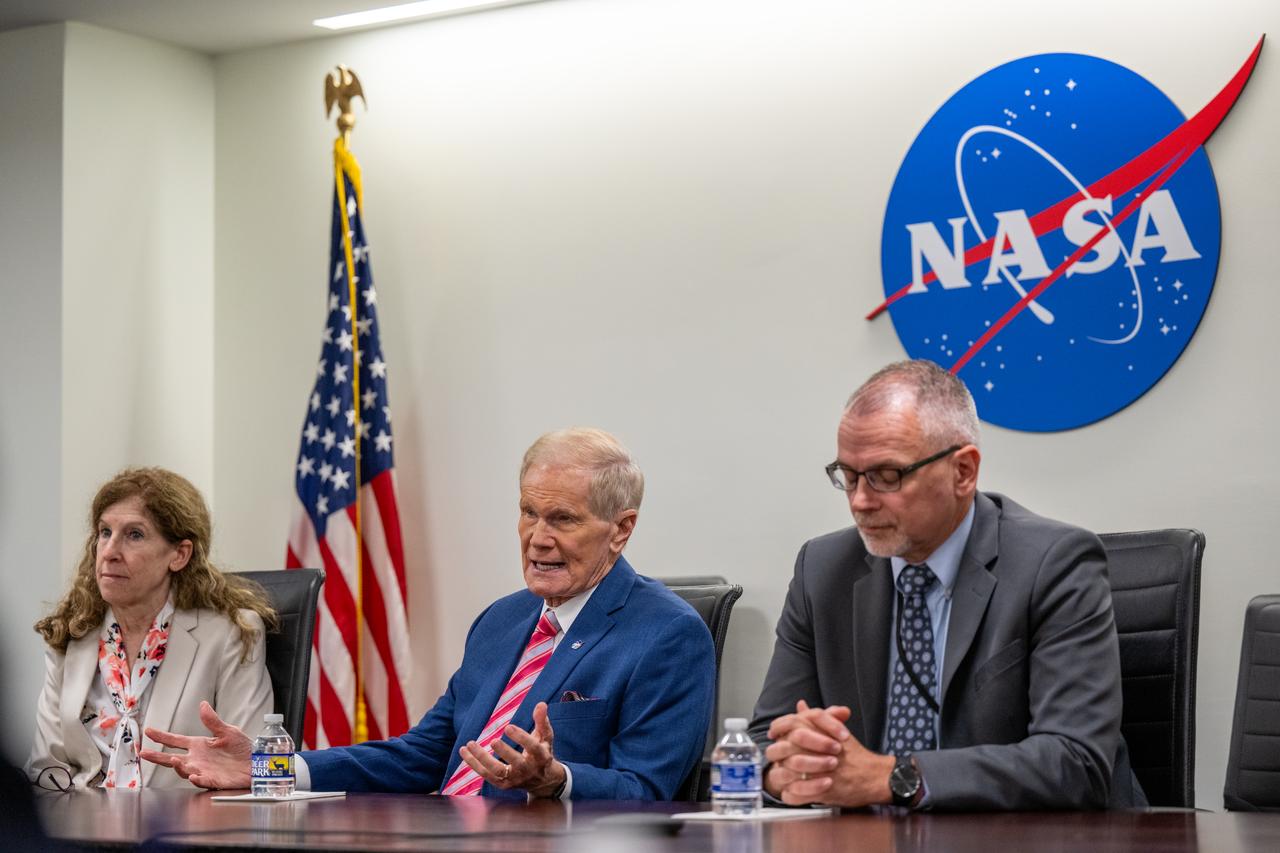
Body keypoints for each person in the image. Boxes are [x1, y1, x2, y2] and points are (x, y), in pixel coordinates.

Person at [142, 428, 715, 800]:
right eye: (527, 513)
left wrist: (557, 779)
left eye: (562, 519)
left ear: (622, 529)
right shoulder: (502, 621)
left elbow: (647, 791)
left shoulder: (667, 634)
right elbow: (424, 755)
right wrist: (277, 769)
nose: (537, 538)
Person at [750, 359, 1144, 810]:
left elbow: (1075, 762)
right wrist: (791, 768)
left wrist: (894, 777)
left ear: (963, 472)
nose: (860, 501)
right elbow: (767, 738)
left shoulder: (1054, 563)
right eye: (848, 476)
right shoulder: (822, 568)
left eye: (886, 476)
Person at [27, 468, 276, 790]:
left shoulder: (230, 634)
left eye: (134, 535)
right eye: (105, 532)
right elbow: (45, 769)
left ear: (179, 554)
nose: (110, 552)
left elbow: (247, 770)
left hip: (185, 830)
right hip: (80, 828)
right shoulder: (73, 634)